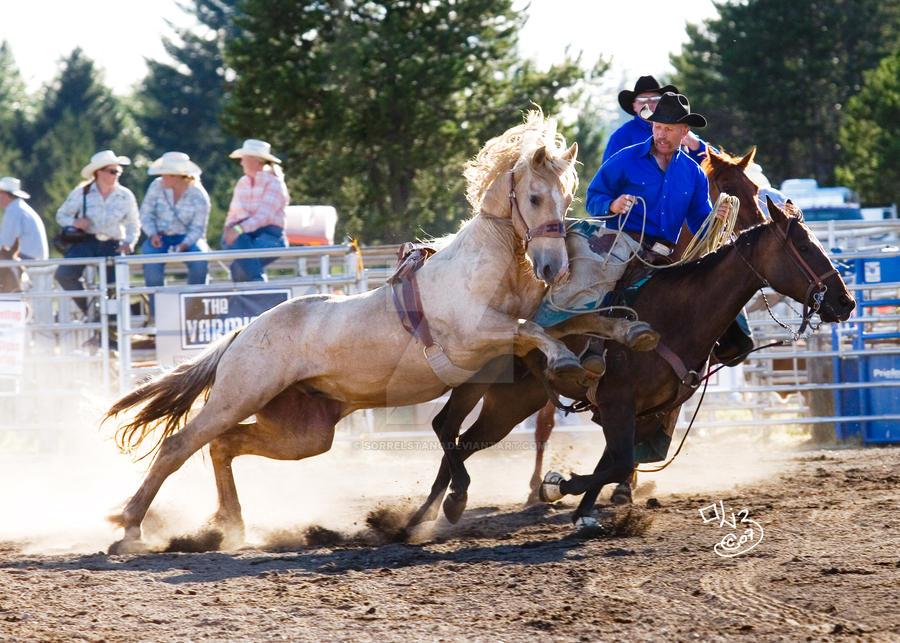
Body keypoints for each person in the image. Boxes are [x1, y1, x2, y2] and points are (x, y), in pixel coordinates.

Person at [54, 149, 140, 317]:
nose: (117, 174)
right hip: (88, 241)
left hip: (114, 243)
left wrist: (129, 241)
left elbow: (134, 223)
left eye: (118, 171)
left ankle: (112, 329)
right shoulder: (82, 193)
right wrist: (75, 223)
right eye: (113, 171)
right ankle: (92, 312)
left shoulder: (125, 195)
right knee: (64, 274)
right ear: (99, 172)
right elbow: (61, 215)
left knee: (113, 288)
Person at [139, 151, 210, 316]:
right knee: (150, 260)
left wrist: (185, 244)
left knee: (200, 262)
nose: (162, 177)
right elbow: (145, 214)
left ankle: (194, 312)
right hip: (161, 236)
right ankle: (158, 315)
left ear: (177, 176)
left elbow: (198, 228)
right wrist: (152, 234)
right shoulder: (156, 186)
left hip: (189, 239)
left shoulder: (199, 195)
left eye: (166, 174)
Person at [603, 75, 713, 166]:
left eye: (656, 99)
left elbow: (720, 166)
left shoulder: (680, 130)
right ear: (634, 106)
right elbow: (607, 178)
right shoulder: (622, 136)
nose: (649, 104)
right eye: (642, 100)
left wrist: (695, 145)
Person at [222, 139, 289, 282]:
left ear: (255, 160)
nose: (241, 163)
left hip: (271, 236)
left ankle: (257, 283)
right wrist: (231, 228)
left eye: (244, 159)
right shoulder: (243, 182)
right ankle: (259, 285)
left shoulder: (274, 183)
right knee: (233, 245)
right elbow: (233, 214)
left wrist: (237, 229)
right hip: (246, 235)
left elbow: (264, 217)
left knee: (239, 268)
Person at [0, 176, 48, 260]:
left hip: (27, 259)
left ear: (5, 194)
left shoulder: (13, 211)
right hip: (34, 258)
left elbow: (5, 243)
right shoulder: (19, 208)